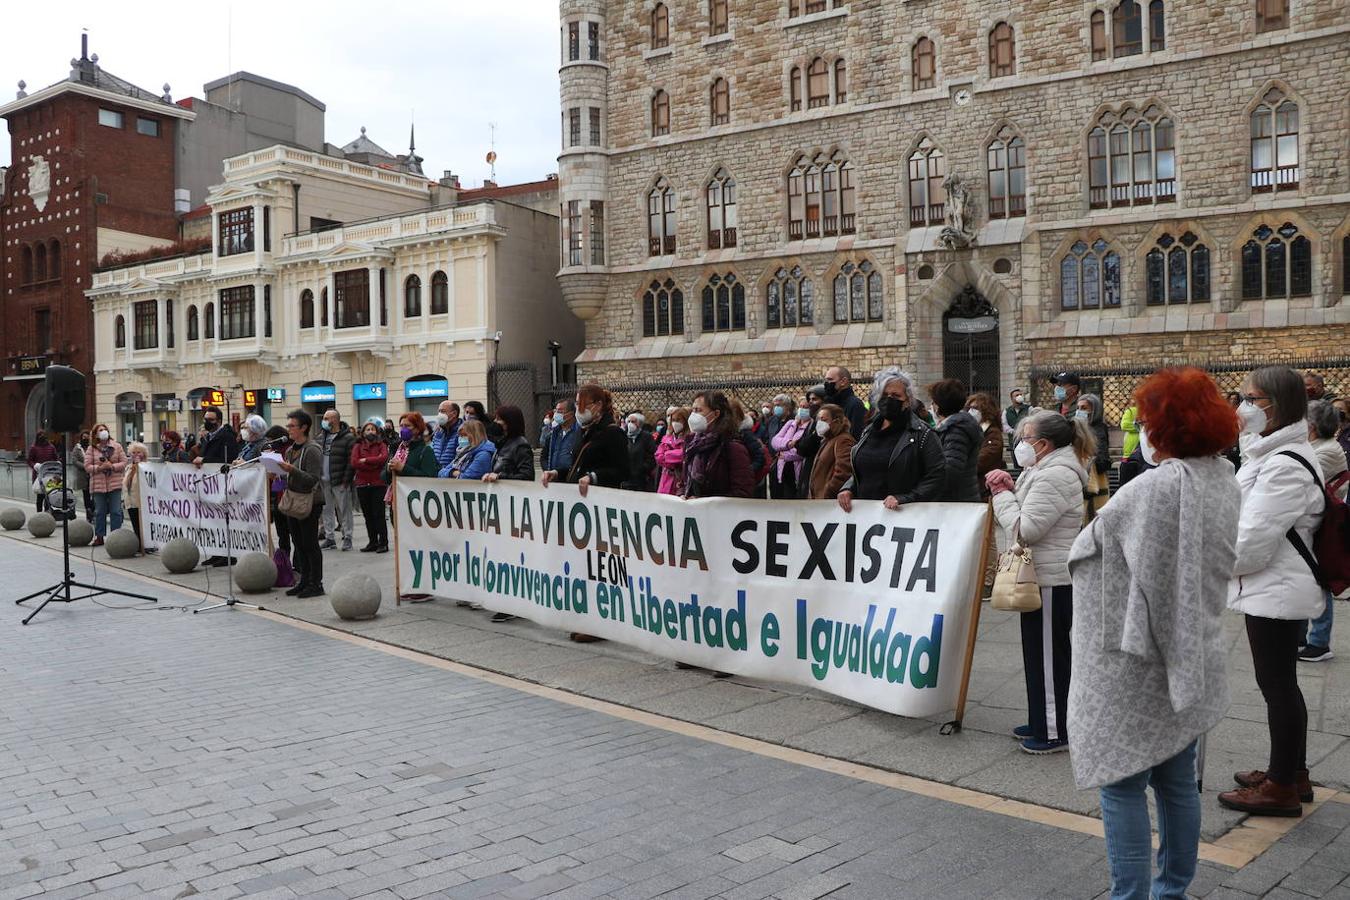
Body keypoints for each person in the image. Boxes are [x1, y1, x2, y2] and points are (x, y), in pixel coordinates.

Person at [1067, 367, 1241, 900]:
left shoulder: (1155, 487)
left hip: (1132, 657)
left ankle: (1130, 895)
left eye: (1145, 420)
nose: (1141, 428)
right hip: (1192, 644)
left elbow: (1091, 550)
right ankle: (1172, 891)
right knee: (1176, 779)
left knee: (1121, 784)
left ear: (1164, 426)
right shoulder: (1223, 477)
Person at [1219, 367, 1326, 816]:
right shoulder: (1271, 453)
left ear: (1277, 405)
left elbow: (1252, 542)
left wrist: (1210, 564)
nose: (1244, 406)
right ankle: (1291, 772)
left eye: (1252, 398)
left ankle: (1281, 786)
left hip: (1276, 586)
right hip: (1272, 584)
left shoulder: (1284, 464)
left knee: (1277, 684)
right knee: (1280, 682)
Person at [986, 410, 1093, 754]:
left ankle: (1053, 730)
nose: (1020, 444)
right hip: (1041, 576)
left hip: (1050, 579)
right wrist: (1010, 489)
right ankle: (1040, 719)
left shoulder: (1055, 475)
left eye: (1026, 438)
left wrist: (1001, 494)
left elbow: (1026, 529)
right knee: (1038, 655)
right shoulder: (1042, 470)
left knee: (1048, 658)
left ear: (1043, 444)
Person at [542, 384, 630, 642]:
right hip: (583, 507)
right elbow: (576, 465)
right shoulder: (586, 431)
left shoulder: (612, 433)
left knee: (599, 567)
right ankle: (587, 617)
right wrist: (558, 473)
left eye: (581, 403)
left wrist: (594, 476)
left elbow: (623, 470)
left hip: (601, 506)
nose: (578, 408)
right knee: (584, 566)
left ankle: (602, 623)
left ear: (597, 406)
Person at [837, 368, 945, 512]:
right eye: (884, 395)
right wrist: (848, 489)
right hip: (865, 515)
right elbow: (863, 470)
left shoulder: (923, 434)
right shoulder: (869, 431)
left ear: (907, 401)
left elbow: (937, 476)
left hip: (902, 516)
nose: (889, 399)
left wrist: (905, 498)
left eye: (896, 395)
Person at [1297, 400, 1347, 664]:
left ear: (1312, 426)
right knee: (1310, 578)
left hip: (1325, 527)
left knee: (1320, 580)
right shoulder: (1317, 447)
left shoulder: (1325, 451)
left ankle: (1319, 642)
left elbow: (1302, 482)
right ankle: (1304, 637)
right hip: (1318, 524)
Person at [278, 410, 326, 598]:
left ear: (304, 427)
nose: (289, 429)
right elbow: (291, 476)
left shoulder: (312, 449)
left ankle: (316, 583)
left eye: (292, 426)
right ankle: (304, 580)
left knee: (310, 543)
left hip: (309, 502)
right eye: (288, 425)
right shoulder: (290, 450)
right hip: (293, 500)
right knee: (298, 542)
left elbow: (313, 479)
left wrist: (292, 470)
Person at [682, 391, 754, 500]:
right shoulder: (692, 446)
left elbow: (742, 491)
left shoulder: (733, 448)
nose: (693, 415)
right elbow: (684, 481)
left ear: (716, 414)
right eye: (693, 410)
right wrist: (682, 494)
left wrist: (704, 501)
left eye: (698, 410)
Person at [930, 379, 983, 503]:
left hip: (957, 501)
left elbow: (951, 470)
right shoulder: (955, 426)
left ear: (939, 404)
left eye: (933, 401)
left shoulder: (956, 430)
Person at [318, 409, 356, 551]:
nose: (324, 421)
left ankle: (347, 537)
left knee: (344, 509)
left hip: (340, 479)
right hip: (323, 480)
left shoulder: (347, 438)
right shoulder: (321, 437)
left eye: (326, 418)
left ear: (335, 420)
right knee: (326, 509)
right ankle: (330, 538)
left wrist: (346, 480)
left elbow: (351, 461)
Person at [351, 418, 391, 554]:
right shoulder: (358, 446)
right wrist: (373, 464)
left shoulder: (381, 445)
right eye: (367, 429)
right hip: (362, 484)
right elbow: (354, 462)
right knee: (368, 515)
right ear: (363, 432)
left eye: (372, 429)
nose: (370, 431)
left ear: (377, 432)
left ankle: (383, 543)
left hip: (378, 484)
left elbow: (383, 459)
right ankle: (372, 542)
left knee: (379, 515)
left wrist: (366, 460)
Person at [84, 424, 127, 547]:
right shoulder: (91, 449)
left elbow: (124, 462)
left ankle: (115, 537)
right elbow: (87, 466)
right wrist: (99, 468)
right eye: (100, 430)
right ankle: (99, 536)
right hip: (98, 485)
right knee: (99, 512)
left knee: (116, 511)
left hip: (115, 483)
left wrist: (112, 466)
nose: (103, 432)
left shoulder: (116, 446)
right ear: (96, 434)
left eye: (105, 430)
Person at [808, 404, 856, 500]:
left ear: (836, 422)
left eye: (824, 420)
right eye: (818, 420)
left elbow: (844, 472)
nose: (820, 423)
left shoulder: (843, 440)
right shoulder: (827, 440)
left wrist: (827, 492)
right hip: (819, 500)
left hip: (829, 502)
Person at [1076, 393, 1112, 517]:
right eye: (1078, 408)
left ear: (1094, 410)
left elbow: (1102, 457)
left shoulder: (1098, 429)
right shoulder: (1078, 428)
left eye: (1084, 408)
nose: (1079, 411)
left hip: (1094, 479)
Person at [965, 392, 1006, 499]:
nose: (971, 411)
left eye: (975, 408)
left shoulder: (992, 433)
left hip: (984, 487)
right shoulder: (973, 431)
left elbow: (984, 459)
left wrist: (964, 465)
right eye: (970, 408)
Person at [770, 399, 810, 500]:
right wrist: (787, 444)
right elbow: (775, 441)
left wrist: (785, 455)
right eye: (800, 406)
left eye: (805, 407)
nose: (802, 409)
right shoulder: (791, 423)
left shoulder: (810, 427)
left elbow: (803, 449)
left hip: (796, 469)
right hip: (782, 467)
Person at [483, 405, 534, 484]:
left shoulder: (521, 445)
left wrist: (500, 476)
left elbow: (527, 476)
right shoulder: (502, 442)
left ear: (509, 422)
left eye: (499, 419)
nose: (495, 422)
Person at [542, 399, 582, 478]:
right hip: (553, 478)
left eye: (560, 411)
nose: (556, 414)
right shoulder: (553, 433)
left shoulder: (578, 433)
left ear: (570, 414)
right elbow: (544, 456)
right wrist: (548, 470)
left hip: (570, 479)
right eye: (556, 411)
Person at [824, 366, 867, 438]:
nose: (827, 383)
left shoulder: (855, 405)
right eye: (826, 380)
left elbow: (855, 435)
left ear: (843, 381)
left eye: (830, 380)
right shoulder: (829, 403)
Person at [655, 407, 690, 496]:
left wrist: (667, 455)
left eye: (678, 420)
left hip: (679, 481)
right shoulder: (667, 438)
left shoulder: (689, 438)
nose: (675, 423)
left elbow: (684, 454)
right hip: (665, 481)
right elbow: (658, 457)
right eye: (673, 420)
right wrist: (674, 458)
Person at [122, 441, 149, 550]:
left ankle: (145, 545)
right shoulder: (128, 467)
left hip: (141, 501)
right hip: (130, 500)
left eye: (139, 452)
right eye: (133, 452)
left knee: (142, 525)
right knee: (135, 524)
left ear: (144, 454)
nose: (136, 454)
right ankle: (138, 544)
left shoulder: (146, 466)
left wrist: (139, 466)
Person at [26, 430, 61, 513]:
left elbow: (56, 458)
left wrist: (57, 464)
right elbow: (29, 460)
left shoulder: (51, 447)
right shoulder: (34, 448)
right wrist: (35, 466)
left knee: (49, 496)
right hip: (39, 474)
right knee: (40, 496)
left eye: (43, 435)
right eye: (40, 435)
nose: (42, 437)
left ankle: (47, 512)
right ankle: (39, 514)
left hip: (50, 475)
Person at [621, 412, 657, 491]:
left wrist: (643, 468)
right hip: (626, 478)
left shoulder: (647, 437)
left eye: (633, 422)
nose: (630, 424)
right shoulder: (623, 436)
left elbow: (652, 456)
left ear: (640, 424)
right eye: (629, 421)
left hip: (642, 479)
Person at [430, 400, 463, 472]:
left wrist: (445, 472)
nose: (440, 414)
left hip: (452, 475)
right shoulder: (438, 432)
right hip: (437, 475)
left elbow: (460, 458)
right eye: (439, 411)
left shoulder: (462, 432)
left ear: (454, 413)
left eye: (443, 411)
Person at [69, 430, 93, 520]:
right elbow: (74, 461)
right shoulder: (77, 448)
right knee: (86, 495)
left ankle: (93, 509)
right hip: (83, 475)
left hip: (93, 474)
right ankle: (89, 513)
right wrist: (85, 466)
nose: (85, 439)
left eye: (87, 437)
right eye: (84, 437)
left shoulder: (92, 447)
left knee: (95, 494)